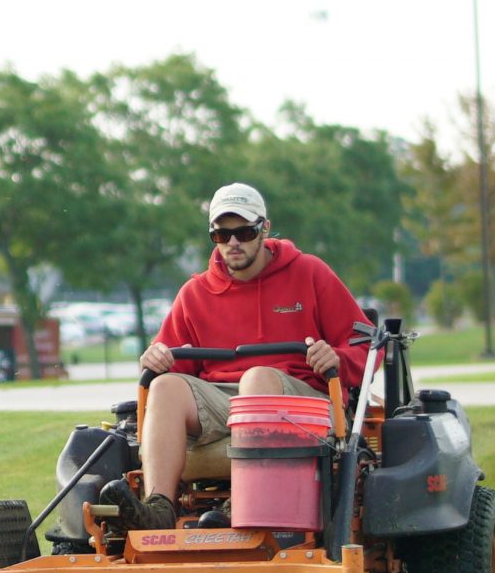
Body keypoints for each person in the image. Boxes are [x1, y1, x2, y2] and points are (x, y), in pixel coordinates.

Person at [114, 181, 373, 530]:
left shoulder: (310, 273)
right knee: (164, 387)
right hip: (224, 401)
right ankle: (159, 508)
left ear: (264, 228)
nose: (233, 243)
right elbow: (174, 359)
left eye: (244, 232)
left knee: (258, 376)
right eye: (222, 235)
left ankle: (246, 506)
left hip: (303, 399)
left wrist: (337, 359)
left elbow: (364, 344)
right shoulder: (195, 293)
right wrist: (156, 360)